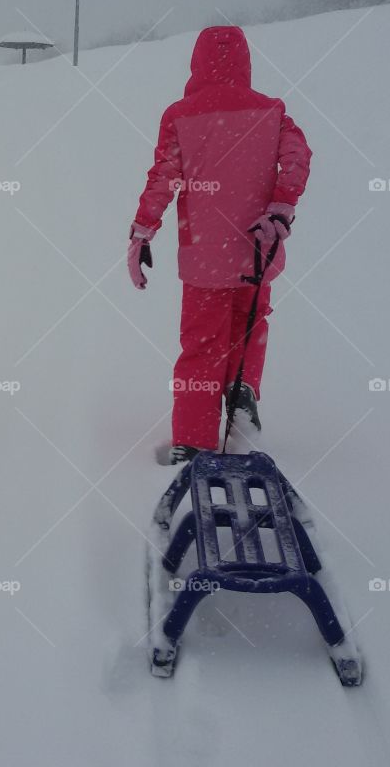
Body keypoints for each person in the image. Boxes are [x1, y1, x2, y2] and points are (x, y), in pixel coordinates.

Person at [127, 25, 311, 464]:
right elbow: (298, 158)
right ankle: (242, 394)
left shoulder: (180, 115)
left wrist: (142, 232)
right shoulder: (272, 110)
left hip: (204, 255)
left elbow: (163, 178)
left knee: (201, 345)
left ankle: (193, 443)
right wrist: (280, 207)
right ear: (245, 62)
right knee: (249, 328)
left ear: (197, 62)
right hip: (255, 250)